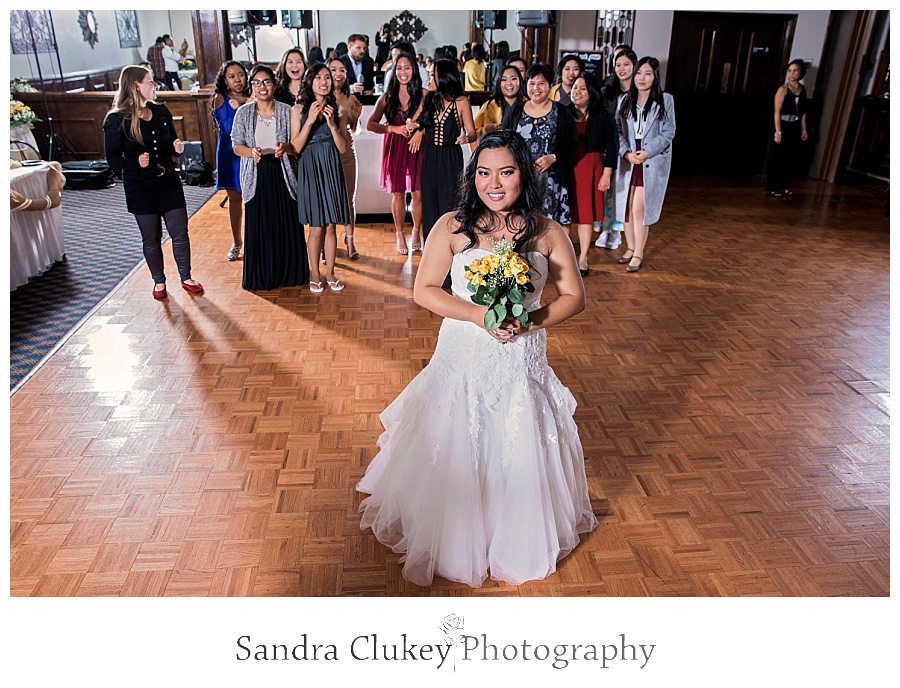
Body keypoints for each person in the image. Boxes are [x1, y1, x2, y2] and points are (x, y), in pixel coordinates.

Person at [357, 130, 598, 587]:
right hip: (463, 352)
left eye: (506, 172)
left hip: (520, 356)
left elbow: (574, 297)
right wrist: (476, 314)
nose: (494, 183)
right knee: (456, 433)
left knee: (516, 435)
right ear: (473, 177)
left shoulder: (547, 232)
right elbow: (424, 290)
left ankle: (514, 528)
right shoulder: (452, 225)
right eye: (484, 173)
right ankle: (452, 526)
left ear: (523, 175)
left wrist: (530, 320)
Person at [103, 65, 203, 300]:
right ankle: (159, 281)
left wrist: (176, 148)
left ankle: (185, 276)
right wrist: (135, 162)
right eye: (150, 82)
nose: (155, 85)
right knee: (151, 238)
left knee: (180, 232)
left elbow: (170, 143)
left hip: (167, 181)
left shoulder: (160, 112)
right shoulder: (116, 119)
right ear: (136, 86)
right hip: (140, 187)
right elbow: (112, 160)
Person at [231, 65, 309, 291]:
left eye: (266, 82)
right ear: (251, 87)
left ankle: (291, 274)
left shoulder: (288, 110)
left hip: (283, 171)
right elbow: (236, 145)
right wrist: (251, 152)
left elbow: (296, 144)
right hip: (257, 172)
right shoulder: (243, 112)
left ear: (274, 85)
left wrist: (284, 147)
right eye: (256, 83)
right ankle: (262, 276)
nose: (261, 87)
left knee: (286, 222)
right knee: (260, 223)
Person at [291, 64, 352, 293]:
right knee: (315, 227)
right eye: (318, 77)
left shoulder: (339, 109)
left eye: (327, 77)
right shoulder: (297, 110)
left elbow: (343, 147)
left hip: (332, 166)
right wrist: (310, 121)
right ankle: (314, 274)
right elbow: (295, 147)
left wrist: (332, 125)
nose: (324, 81)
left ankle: (330, 273)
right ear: (310, 81)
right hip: (310, 167)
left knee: (330, 226)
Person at [615, 56, 676, 273]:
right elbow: (618, 131)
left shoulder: (665, 99)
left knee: (640, 208)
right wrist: (625, 153)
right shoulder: (624, 100)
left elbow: (669, 132)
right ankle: (630, 247)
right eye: (639, 73)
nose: (642, 78)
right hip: (630, 158)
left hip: (651, 158)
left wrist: (648, 151)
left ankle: (638, 252)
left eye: (648, 73)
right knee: (627, 207)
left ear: (655, 77)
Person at [501, 63, 578, 226]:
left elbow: (572, 144)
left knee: (549, 224)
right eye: (531, 83)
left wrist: (554, 157)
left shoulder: (562, 112)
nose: (536, 88)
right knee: (519, 221)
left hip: (550, 180)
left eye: (541, 83)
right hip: (520, 178)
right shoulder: (516, 110)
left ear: (550, 86)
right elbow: (504, 140)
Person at [367, 51, 425, 255]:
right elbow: (370, 124)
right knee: (398, 193)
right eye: (399, 68)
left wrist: (419, 131)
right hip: (395, 147)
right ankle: (400, 233)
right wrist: (392, 129)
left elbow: (433, 118)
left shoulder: (422, 94)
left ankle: (417, 231)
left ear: (414, 70)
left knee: (418, 193)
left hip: (417, 147)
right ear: (393, 71)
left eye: (407, 67)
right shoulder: (387, 97)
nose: (403, 72)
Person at [414, 59, 476, 246]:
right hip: (430, 157)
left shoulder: (461, 101)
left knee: (450, 207)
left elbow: (472, 132)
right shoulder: (428, 98)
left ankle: (451, 252)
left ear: (446, 77)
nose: (430, 78)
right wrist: (412, 128)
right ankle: (431, 252)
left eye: (434, 74)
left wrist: (467, 136)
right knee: (429, 206)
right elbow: (418, 123)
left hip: (451, 159)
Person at [567, 72, 617, 276]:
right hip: (568, 167)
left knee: (586, 217)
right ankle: (567, 257)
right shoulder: (564, 112)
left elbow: (612, 146)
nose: (576, 92)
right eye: (574, 88)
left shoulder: (603, 114)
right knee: (566, 216)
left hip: (591, 167)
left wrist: (606, 174)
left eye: (582, 88)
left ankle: (583, 258)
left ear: (592, 92)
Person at [596, 47, 636, 250]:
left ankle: (617, 232)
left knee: (622, 192)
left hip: (631, 153)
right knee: (607, 191)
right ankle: (605, 228)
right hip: (611, 149)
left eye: (627, 65)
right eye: (618, 65)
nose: (622, 69)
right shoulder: (607, 93)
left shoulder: (639, 94)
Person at [211, 60, 251, 262]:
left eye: (241, 74)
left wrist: (246, 103)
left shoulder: (254, 94)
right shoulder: (221, 97)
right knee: (235, 199)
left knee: (253, 199)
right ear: (225, 80)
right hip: (230, 152)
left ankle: (255, 241)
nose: (237, 79)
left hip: (252, 151)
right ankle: (237, 243)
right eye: (232, 76)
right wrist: (244, 106)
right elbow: (227, 128)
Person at [328, 57, 363, 260]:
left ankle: (350, 240)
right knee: (329, 201)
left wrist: (356, 117)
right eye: (333, 70)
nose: (338, 74)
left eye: (342, 70)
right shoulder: (320, 98)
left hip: (347, 153)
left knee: (349, 200)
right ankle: (327, 243)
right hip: (326, 153)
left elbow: (355, 130)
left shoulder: (350, 98)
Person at [765, 59, 809, 197]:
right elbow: (777, 111)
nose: (792, 73)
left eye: (795, 70)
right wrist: (778, 131)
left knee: (790, 157)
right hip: (783, 124)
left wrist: (804, 129)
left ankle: (785, 185)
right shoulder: (782, 89)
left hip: (794, 126)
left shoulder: (802, 89)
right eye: (790, 70)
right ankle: (773, 186)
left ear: (801, 72)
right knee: (778, 156)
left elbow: (803, 112)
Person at [472, 62, 525, 148]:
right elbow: (473, 134)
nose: (509, 83)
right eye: (504, 79)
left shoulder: (528, 104)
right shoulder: (490, 106)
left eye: (513, 79)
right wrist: (485, 130)